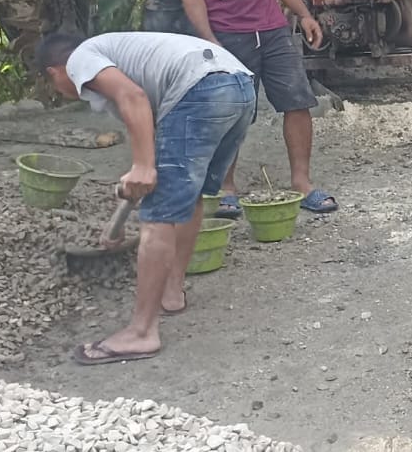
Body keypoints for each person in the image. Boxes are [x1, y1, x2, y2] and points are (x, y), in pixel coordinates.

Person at [39, 32, 255, 365]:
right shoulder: (125, 56)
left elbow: (134, 97)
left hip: (201, 88)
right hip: (239, 86)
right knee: (191, 192)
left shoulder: (82, 57)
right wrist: (140, 176)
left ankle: (141, 333)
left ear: (55, 72)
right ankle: (172, 292)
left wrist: (142, 166)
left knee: (158, 215)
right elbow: (153, 132)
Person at [159, 0, 336, 217]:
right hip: (226, 36)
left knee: (297, 102)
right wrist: (209, 40)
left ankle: (302, 183)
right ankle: (226, 188)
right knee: (230, 112)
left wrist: (303, 14)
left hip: (272, 29)